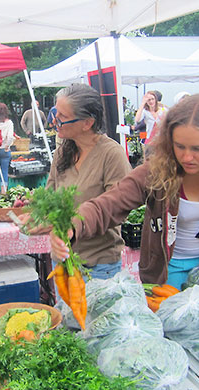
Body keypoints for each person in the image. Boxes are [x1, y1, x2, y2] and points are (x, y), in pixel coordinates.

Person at [49, 94, 199, 290]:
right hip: (170, 270)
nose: (187, 157)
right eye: (179, 146)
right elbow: (111, 202)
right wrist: (74, 225)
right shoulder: (157, 171)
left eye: (198, 149)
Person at [47, 84, 131, 280]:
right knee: (65, 312)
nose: (54, 120)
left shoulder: (111, 154)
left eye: (62, 117)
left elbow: (118, 209)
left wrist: (75, 225)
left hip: (98, 266)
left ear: (87, 123)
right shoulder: (62, 153)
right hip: (62, 262)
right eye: (54, 112)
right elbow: (50, 196)